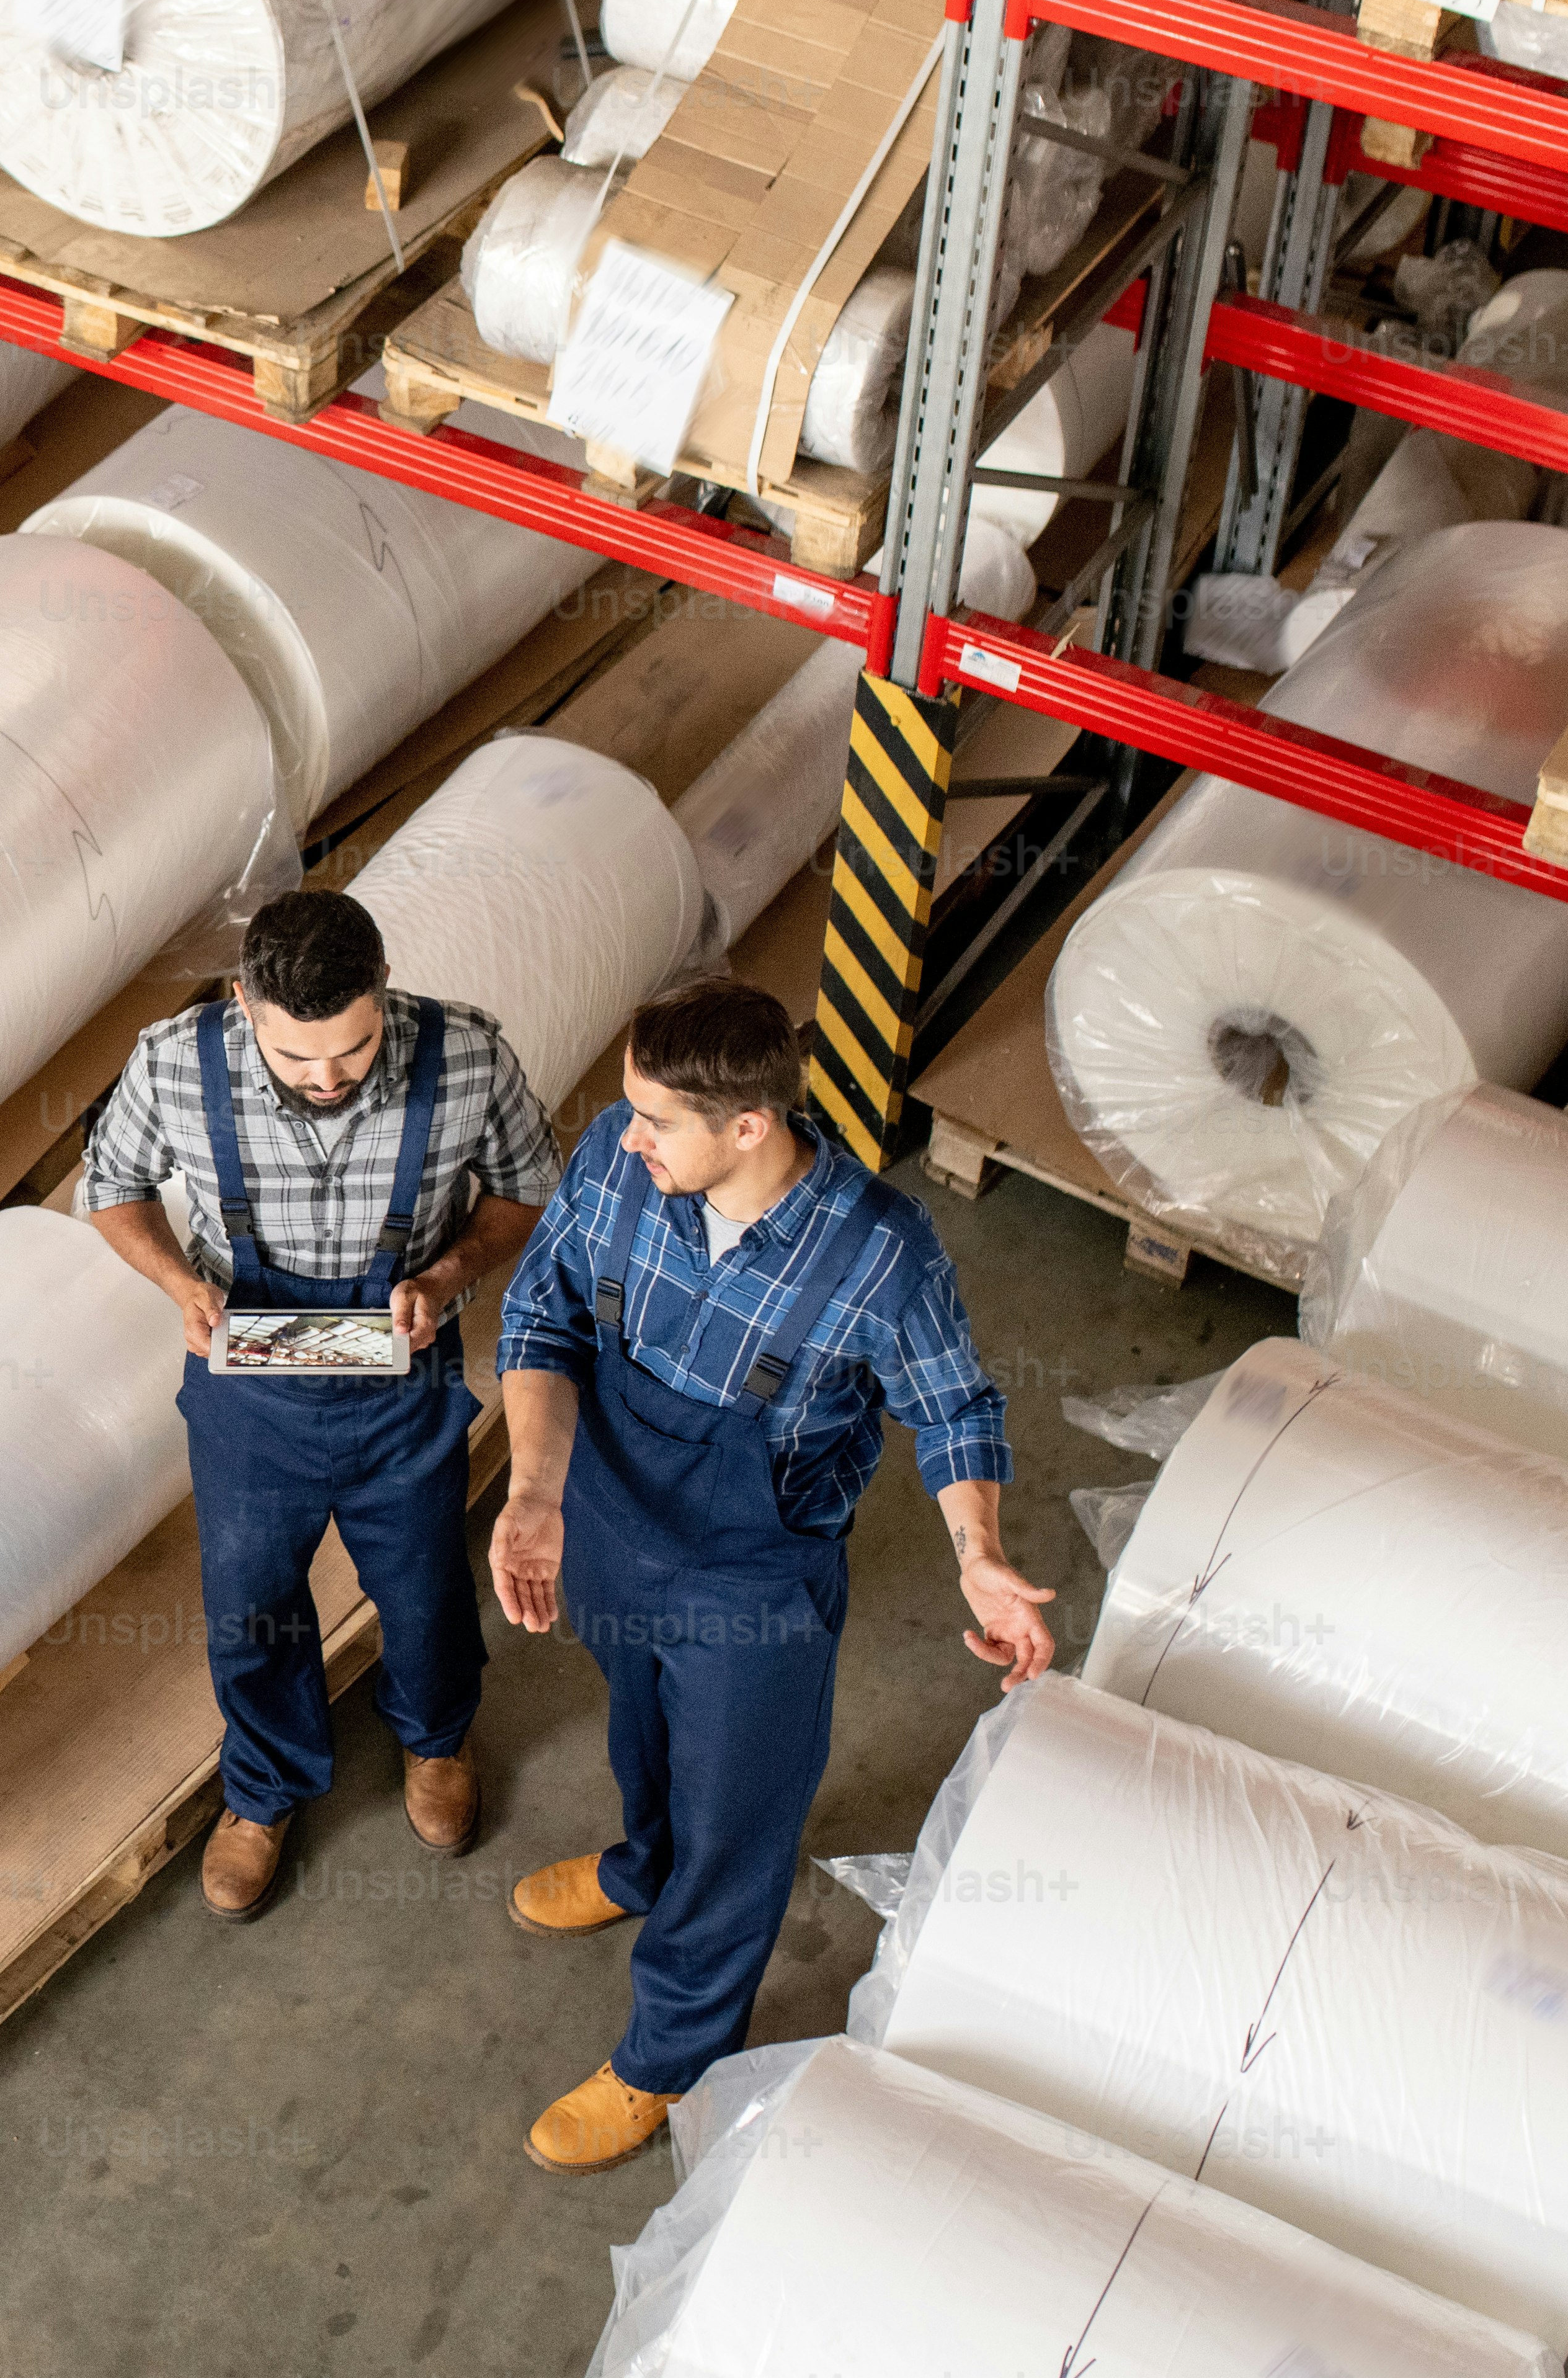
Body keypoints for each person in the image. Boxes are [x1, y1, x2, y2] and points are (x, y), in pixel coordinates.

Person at [486, 975, 1044, 2174]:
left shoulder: (877, 1253)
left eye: (654, 1120)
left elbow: (951, 1408)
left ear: (749, 1126)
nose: (623, 1136)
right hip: (605, 1516)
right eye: (629, 1112)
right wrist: (535, 1493)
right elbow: (541, 1311)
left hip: (752, 1578)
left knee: (739, 1816)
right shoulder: (618, 1160)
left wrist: (981, 1555)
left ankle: (671, 2054)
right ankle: (643, 1864)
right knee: (638, 1733)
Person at [80, 889, 556, 1924]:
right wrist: (180, 1287)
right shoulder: (173, 1063)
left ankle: (435, 1741)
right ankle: (263, 1791)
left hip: (403, 1374)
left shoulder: (466, 1057)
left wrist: (443, 1278)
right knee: (250, 1603)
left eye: (352, 1048)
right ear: (245, 1001)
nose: (330, 1078)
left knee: (425, 1589)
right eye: (299, 1059)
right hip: (247, 1386)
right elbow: (109, 1188)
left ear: (382, 986)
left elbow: (524, 1188)